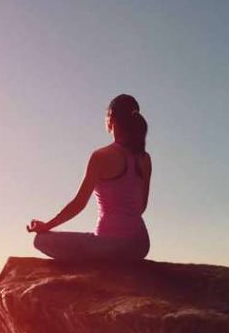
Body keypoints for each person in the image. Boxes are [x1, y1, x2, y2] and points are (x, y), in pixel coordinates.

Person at [27, 94, 151, 261]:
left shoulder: (101, 156)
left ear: (111, 118)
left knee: (41, 240)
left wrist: (46, 226)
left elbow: (79, 204)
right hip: (140, 246)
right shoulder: (144, 159)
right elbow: (141, 207)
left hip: (108, 247)